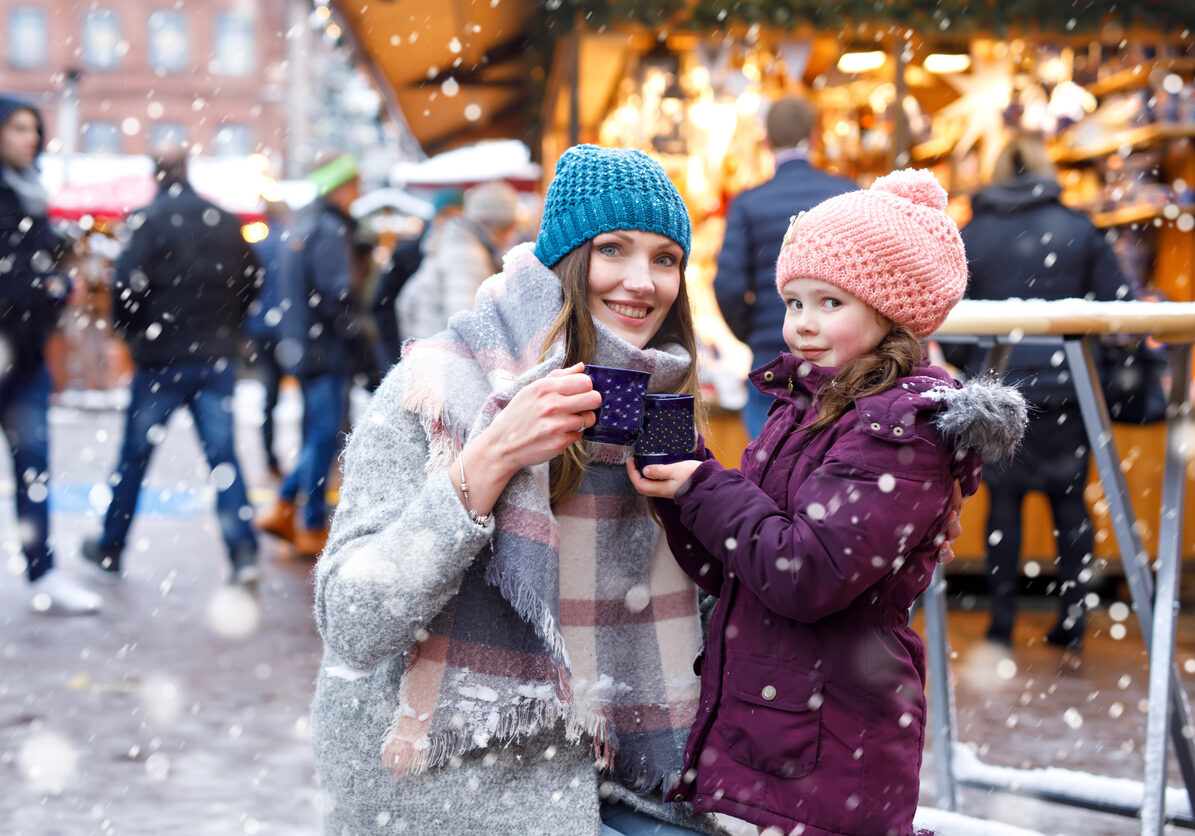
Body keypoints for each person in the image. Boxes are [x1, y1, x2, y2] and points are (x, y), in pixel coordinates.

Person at [309, 144, 727, 836]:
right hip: (457, 792)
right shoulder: (438, 390)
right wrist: (491, 458)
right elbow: (353, 623)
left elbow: (711, 621)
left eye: (664, 259)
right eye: (612, 250)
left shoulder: (661, 408)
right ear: (563, 262)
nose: (640, 281)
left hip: (635, 778)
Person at [628, 170, 1027, 836]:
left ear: (888, 311)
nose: (802, 325)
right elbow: (735, 568)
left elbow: (804, 575)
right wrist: (681, 483)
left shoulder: (901, 431)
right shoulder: (806, 408)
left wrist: (705, 486)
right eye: (792, 302)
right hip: (780, 729)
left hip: (832, 741)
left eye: (828, 303)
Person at [947, 134, 1140, 651]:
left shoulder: (973, 233)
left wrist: (972, 368)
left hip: (1001, 389)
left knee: (1003, 505)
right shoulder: (1081, 229)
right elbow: (1121, 304)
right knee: (1070, 502)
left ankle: (1001, 619)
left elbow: (949, 311)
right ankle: (1072, 618)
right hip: (1071, 388)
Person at [81, 147, 262, 588]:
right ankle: (243, 554)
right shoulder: (223, 219)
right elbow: (252, 278)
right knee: (223, 458)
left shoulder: (148, 219)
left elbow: (125, 285)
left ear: (157, 176)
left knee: (135, 457)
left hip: (161, 358)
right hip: (214, 355)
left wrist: (133, 332)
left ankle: (111, 545)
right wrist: (228, 326)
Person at [0, 94, 103, 615]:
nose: (30, 138)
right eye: (18, 128)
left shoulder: (30, 197)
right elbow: (14, 281)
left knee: (34, 468)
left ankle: (43, 570)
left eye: (33, 129)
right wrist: (56, 287)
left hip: (27, 357)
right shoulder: (11, 201)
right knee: (32, 467)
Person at [713, 96, 856, 438]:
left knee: (769, 466)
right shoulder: (847, 194)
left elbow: (728, 285)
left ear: (766, 140)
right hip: (840, 358)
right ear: (816, 135)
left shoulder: (748, 203)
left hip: (772, 357)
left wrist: (754, 332)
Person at [257, 154, 363, 558]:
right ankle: (310, 522)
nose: (359, 195)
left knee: (318, 433)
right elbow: (338, 293)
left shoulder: (302, 224)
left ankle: (285, 508)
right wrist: (357, 339)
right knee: (323, 435)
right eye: (355, 186)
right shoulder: (329, 229)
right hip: (325, 350)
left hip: (303, 345)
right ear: (340, 187)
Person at [395, 179, 518, 341]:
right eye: (510, 229)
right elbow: (465, 322)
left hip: (432, 347)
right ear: (496, 227)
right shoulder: (467, 253)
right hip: (442, 354)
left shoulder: (462, 242)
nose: (511, 236)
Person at [370, 188, 463, 368]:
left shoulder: (469, 254)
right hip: (415, 353)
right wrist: (397, 351)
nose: (451, 222)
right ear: (435, 217)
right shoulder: (406, 256)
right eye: (445, 215)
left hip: (448, 357)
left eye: (457, 215)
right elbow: (383, 305)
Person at [244, 199, 291, 479]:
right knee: (304, 393)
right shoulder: (291, 244)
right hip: (288, 329)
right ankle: (302, 459)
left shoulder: (258, 247)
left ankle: (269, 456)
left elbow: (247, 289)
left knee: (269, 393)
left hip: (261, 328)